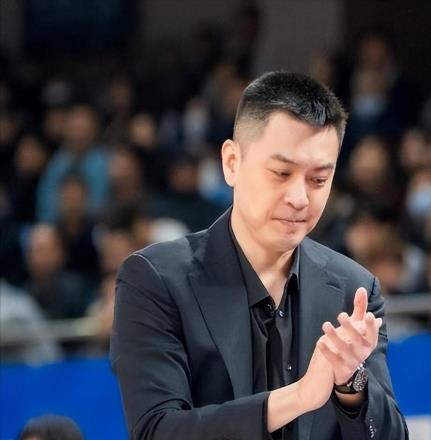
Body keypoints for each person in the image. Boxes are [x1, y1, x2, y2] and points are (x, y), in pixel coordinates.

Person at [111, 71, 408, 439]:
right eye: (281, 173)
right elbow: (157, 430)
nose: (299, 198)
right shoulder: (155, 280)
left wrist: (352, 384)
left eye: (318, 180)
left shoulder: (355, 290)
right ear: (232, 162)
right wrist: (298, 397)